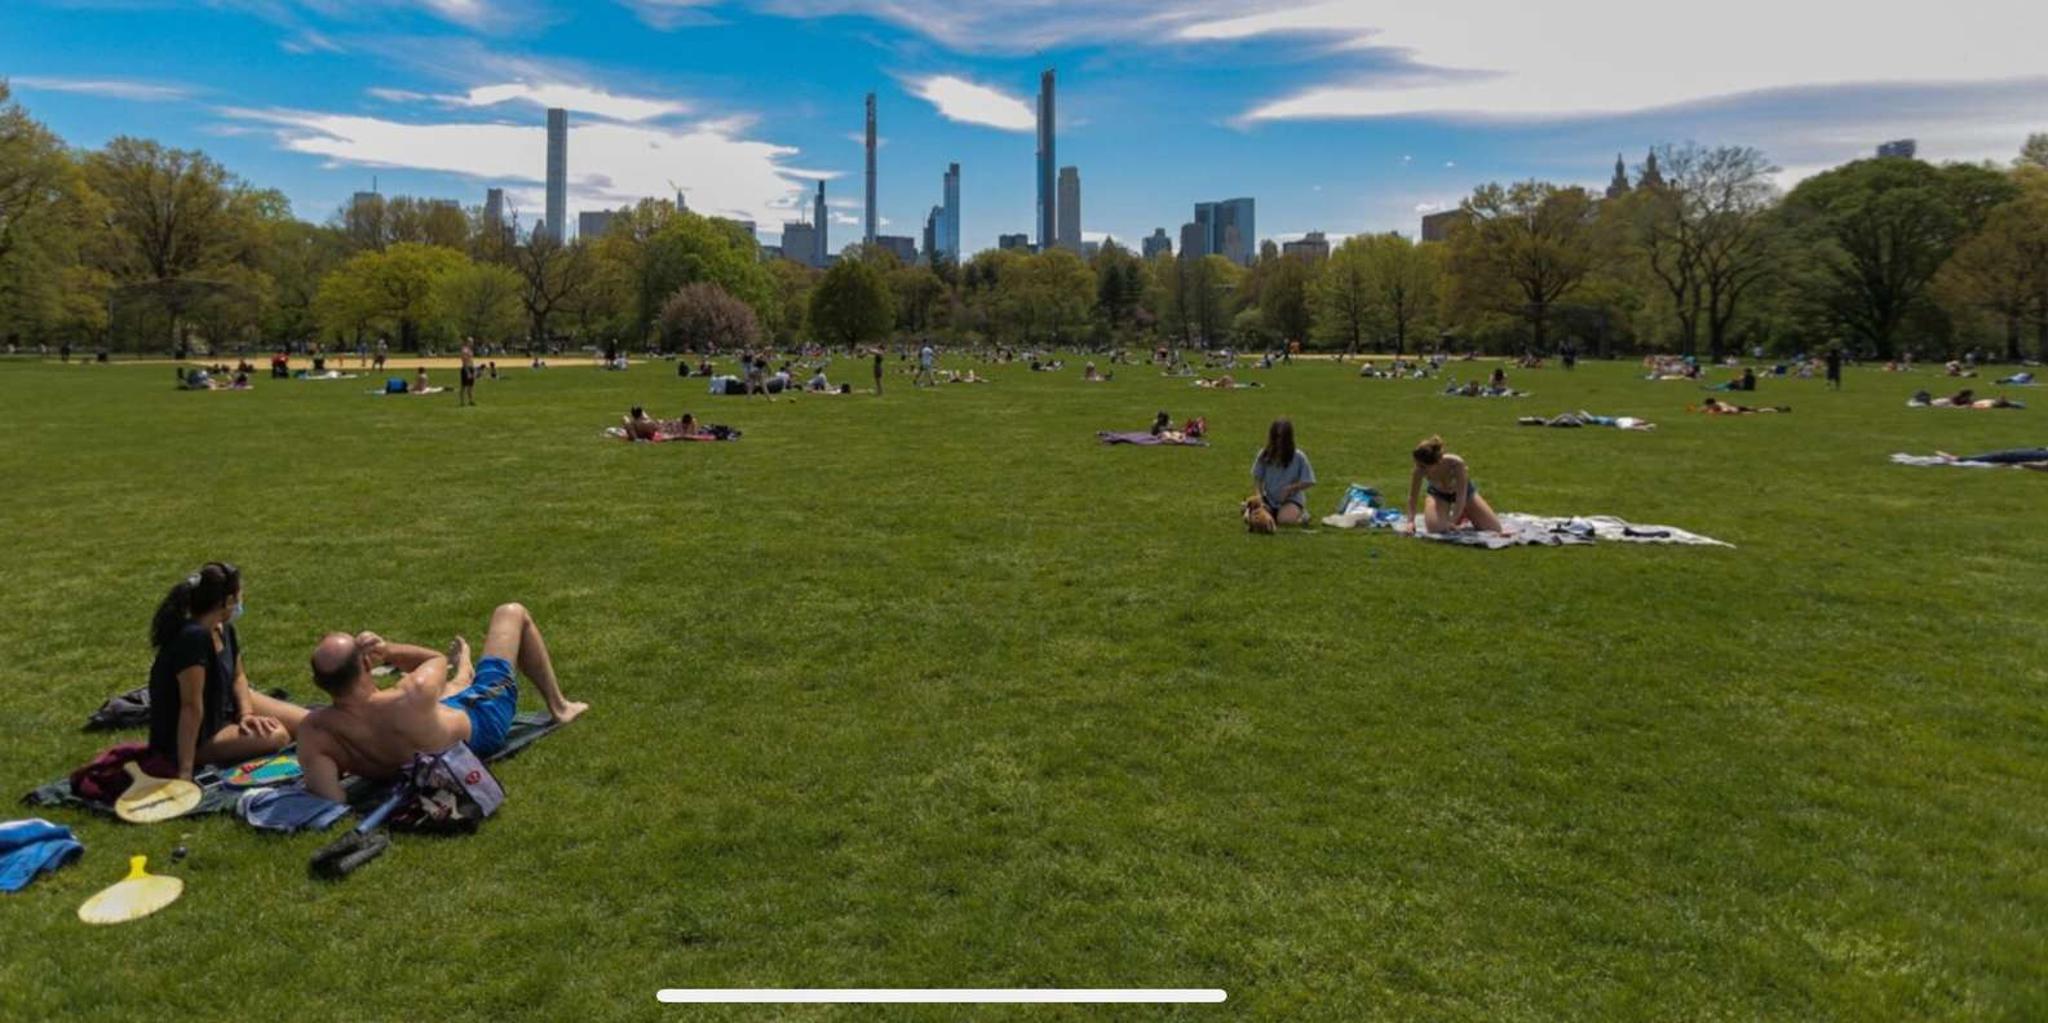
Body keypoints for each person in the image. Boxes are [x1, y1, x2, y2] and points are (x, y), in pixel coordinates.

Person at [295, 603, 589, 801]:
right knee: (511, 612)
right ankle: (560, 707)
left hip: (419, 739)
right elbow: (435, 659)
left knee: (445, 696)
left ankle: (464, 675)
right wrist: (387, 650)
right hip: (481, 721)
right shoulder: (410, 695)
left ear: (319, 683)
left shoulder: (314, 732)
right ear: (367, 667)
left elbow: (332, 798)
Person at [147, 563, 307, 780]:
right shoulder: (192, 639)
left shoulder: (224, 629)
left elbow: (238, 677)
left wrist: (246, 714)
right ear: (228, 601)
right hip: (195, 736)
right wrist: (185, 770)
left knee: (308, 723)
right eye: (239, 597)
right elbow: (190, 707)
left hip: (222, 706)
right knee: (278, 736)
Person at [1406, 436, 1505, 534]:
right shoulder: (1418, 470)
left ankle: (1465, 513)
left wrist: (1453, 520)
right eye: (1417, 464)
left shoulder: (1456, 464)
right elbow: (1413, 496)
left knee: (1494, 529)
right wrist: (1410, 522)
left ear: (1437, 463)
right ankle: (1452, 514)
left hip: (1465, 495)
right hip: (1438, 495)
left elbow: (1461, 496)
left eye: (1423, 466)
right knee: (1436, 529)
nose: (1419, 468)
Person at [1250, 418, 1315, 526]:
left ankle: (1302, 518)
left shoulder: (1299, 457)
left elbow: (1309, 481)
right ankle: (1273, 514)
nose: (1278, 442)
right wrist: (1259, 498)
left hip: (1290, 500)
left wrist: (1291, 488)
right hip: (1269, 499)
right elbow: (1258, 480)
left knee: (1284, 521)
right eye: (1276, 438)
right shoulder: (1264, 455)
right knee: (1254, 517)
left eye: (1282, 439)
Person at [458, 341, 477, 407]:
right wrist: (468, 372)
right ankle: (462, 402)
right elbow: (464, 361)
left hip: (471, 368)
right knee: (464, 386)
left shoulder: (470, 350)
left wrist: (474, 370)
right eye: (470, 342)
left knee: (471, 386)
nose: (471, 343)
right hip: (466, 369)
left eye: (472, 341)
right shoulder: (465, 350)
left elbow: (471, 361)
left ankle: (470, 401)